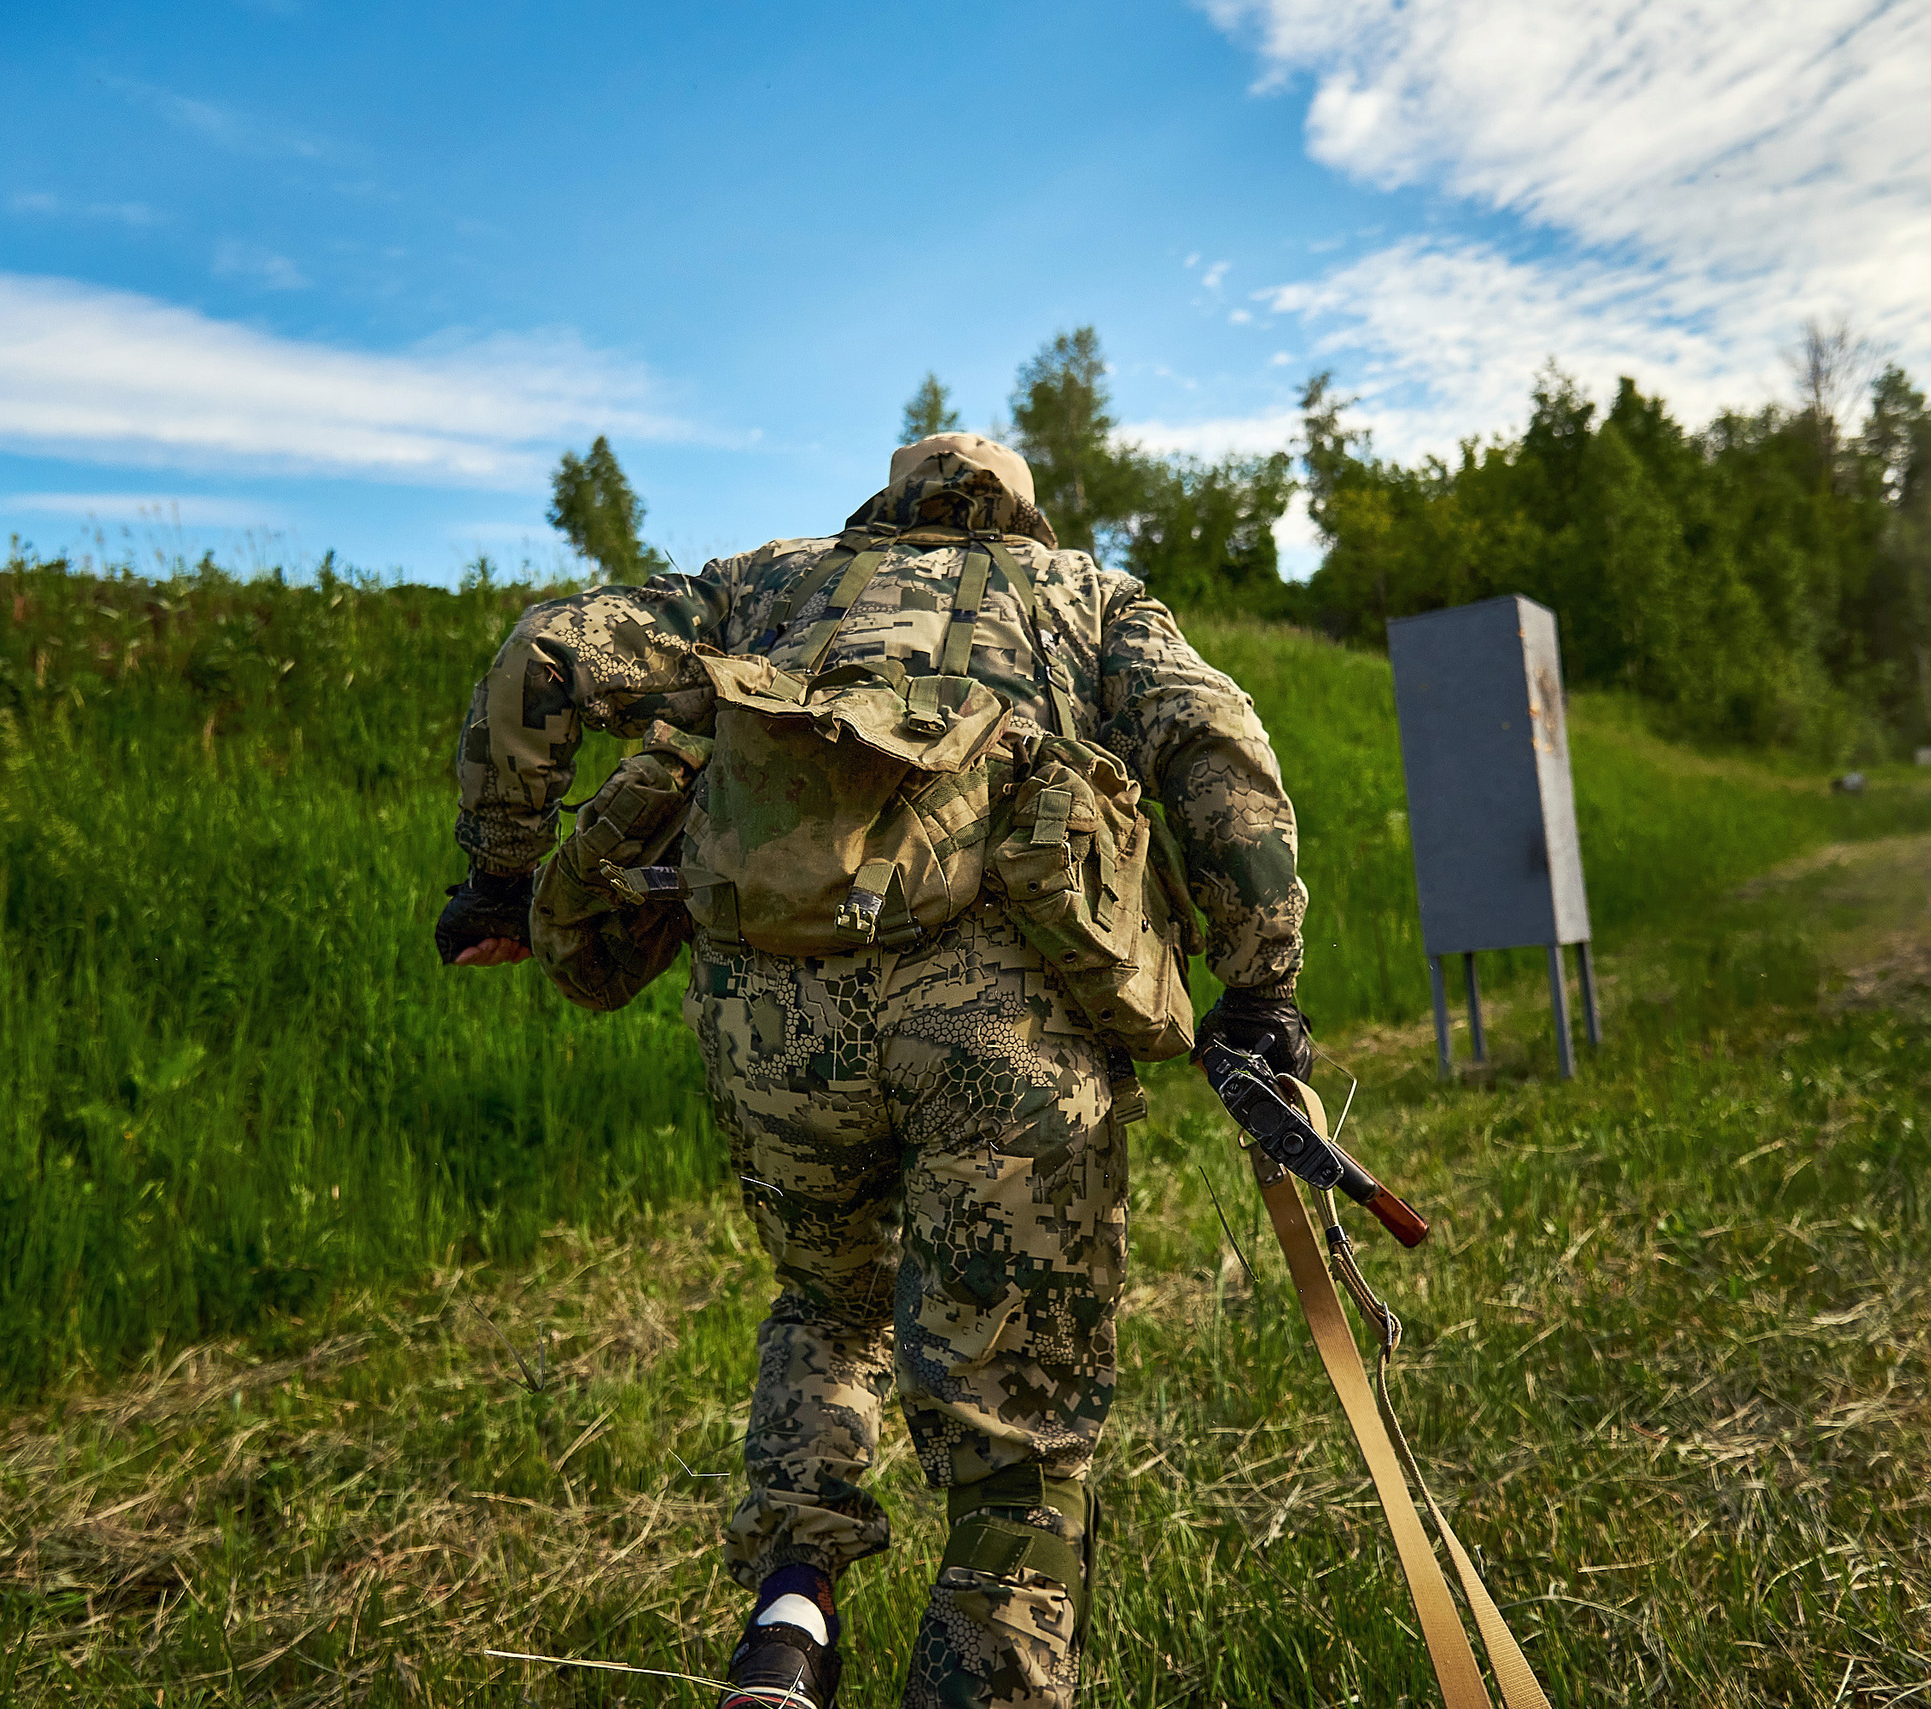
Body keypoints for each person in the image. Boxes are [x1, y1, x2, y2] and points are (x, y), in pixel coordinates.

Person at [436, 434, 1311, 1709]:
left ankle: (788, 1623)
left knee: (828, 1301)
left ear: (883, 508)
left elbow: (548, 652)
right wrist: (1261, 976)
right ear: (1017, 511)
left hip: (771, 1018)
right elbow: (1213, 744)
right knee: (1017, 1432)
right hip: (1000, 1027)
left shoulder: (765, 583)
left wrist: (501, 871)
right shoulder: (1083, 593)